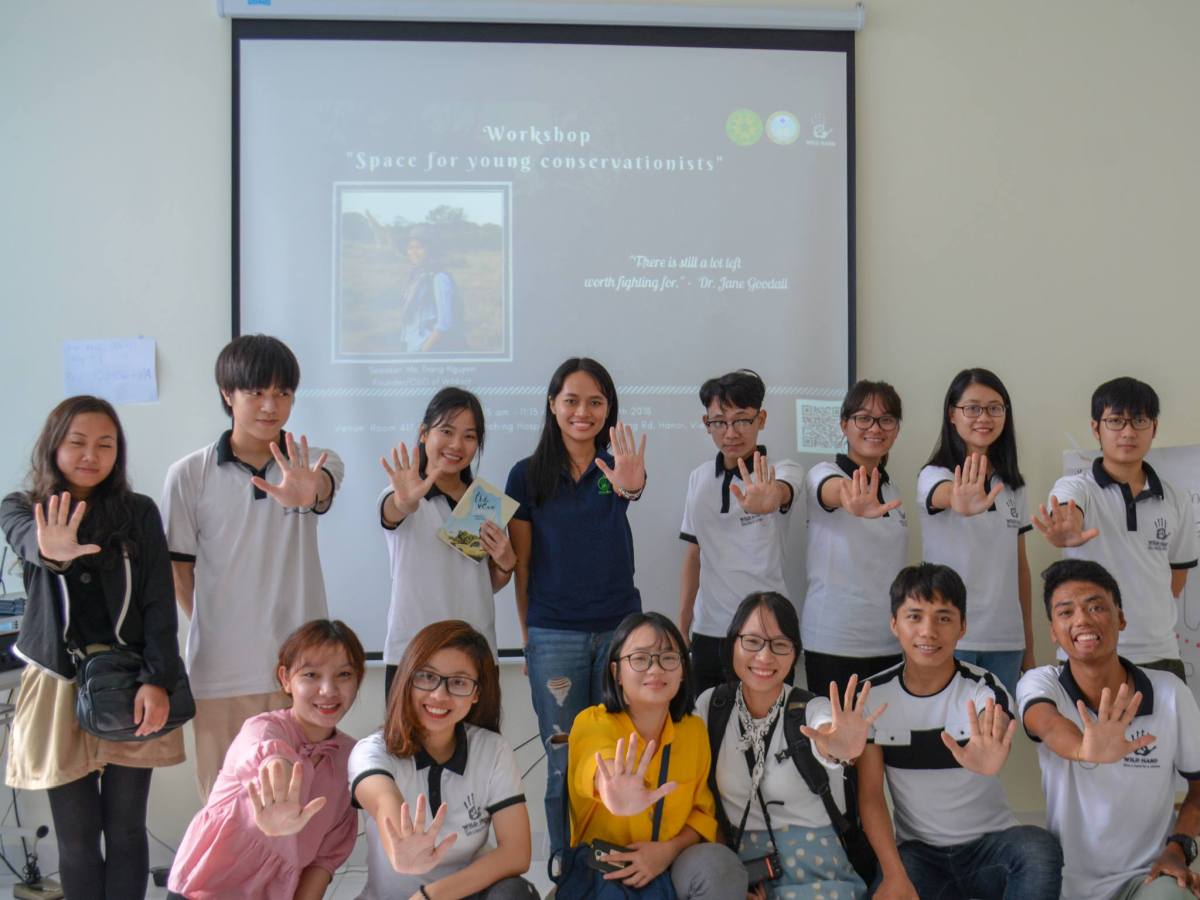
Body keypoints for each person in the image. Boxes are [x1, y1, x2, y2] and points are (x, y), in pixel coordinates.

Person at [0, 395, 185, 900]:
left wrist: (157, 680)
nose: (91, 454)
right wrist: (50, 549)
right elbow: (26, 540)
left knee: (126, 830)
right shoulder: (23, 508)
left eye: (105, 444)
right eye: (78, 442)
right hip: (59, 685)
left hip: (131, 681)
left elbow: (158, 605)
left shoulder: (138, 512)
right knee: (77, 837)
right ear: (53, 445)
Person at [161, 334, 344, 798]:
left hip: (299, 668)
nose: (271, 405)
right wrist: (213, 623)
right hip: (220, 672)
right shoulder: (189, 474)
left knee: (299, 804)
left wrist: (310, 490)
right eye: (257, 392)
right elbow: (178, 569)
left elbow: (321, 485)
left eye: (283, 393)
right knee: (229, 806)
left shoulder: (314, 462)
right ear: (228, 394)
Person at [505, 356, 647, 857]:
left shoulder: (617, 466)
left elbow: (630, 488)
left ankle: (616, 865)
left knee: (620, 759)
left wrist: (631, 482)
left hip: (619, 633)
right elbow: (521, 566)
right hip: (554, 637)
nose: (582, 412)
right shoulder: (525, 476)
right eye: (571, 401)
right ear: (552, 405)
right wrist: (528, 640)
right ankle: (569, 869)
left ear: (608, 409)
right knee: (563, 763)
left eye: (595, 402)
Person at [859, 563, 1063, 900]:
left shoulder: (984, 686)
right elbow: (870, 795)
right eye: (914, 617)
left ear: (962, 627)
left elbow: (994, 729)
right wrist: (895, 874)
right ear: (894, 623)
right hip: (918, 854)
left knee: (1038, 849)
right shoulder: (872, 696)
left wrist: (991, 756)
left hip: (990, 848)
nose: (928, 631)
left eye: (943, 618)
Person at [1019, 559, 1200, 900]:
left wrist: (1179, 848)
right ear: (1053, 631)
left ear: (1121, 618)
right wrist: (1083, 749)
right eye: (1066, 612)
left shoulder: (1170, 693)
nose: (1083, 620)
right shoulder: (1041, 683)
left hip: (1147, 877)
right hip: (1064, 884)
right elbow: (1044, 721)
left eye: (1096, 607)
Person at [695, 592, 876, 899]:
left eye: (780, 645)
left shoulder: (811, 708)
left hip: (818, 870)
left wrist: (837, 747)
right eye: (752, 641)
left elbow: (825, 733)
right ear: (732, 644)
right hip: (744, 871)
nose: (765, 657)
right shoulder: (711, 705)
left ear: (794, 654)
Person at [168, 620, 365, 900]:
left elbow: (324, 860)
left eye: (344, 674)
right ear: (286, 679)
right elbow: (269, 756)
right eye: (311, 675)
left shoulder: (351, 756)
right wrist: (279, 791)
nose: (328, 690)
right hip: (204, 890)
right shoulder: (263, 728)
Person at [349, 620, 538, 900]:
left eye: (459, 682)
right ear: (407, 680)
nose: (439, 694)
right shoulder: (372, 751)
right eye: (426, 677)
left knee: (515, 893)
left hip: (454, 896)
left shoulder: (492, 749)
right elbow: (382, 801)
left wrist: (430, 896)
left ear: (476, 694)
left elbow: (516, 853)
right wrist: (399, 847)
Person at [567, 611, 747, 899]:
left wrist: (666, 851)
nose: (655, 669)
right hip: (607, 871)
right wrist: (612, 788)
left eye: (668, 658)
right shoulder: (592, 723)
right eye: (640, 659)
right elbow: (597, 766)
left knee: (720, 867)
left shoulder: (693, 730)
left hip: (669, 863)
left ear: (682, 671)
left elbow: (701, 815)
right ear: (617, 673)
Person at [1034, 376, 1197, 679]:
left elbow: (1176, 577)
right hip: (1087, 651)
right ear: (1096, 428)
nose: (1128, 432)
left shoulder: (1176, 499)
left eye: (1139, 420)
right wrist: (1069, 528)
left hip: (1159, 654)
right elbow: (1071, 509)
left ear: (1154, 428)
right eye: (1116, 421)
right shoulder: (1076, 486)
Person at [378, 386, 516, 704]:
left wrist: (506, 564)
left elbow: (485, 582)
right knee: (409, 752)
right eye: (446, 431)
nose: (456, 445)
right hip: (413, 652)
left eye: (469, 436)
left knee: (477, 750)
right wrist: (404, 500)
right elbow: (394, 512)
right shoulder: (400, 495)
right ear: (424, 434)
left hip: (474, 653)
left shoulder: (483, 502)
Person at [679, 370, 804, 694]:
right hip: (709, 630)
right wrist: (682, 627)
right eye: (719, 422)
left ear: (760, 419)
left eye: (742, 420)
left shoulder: (783, 469)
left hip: (768, 629)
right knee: (709, 733)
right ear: (707, 423)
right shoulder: (699, 478)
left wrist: (770, 497)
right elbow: (694, 554)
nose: (730, 432)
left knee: (769, 734)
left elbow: (781, 491)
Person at [918, 368, 1033, 694]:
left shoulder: (1013, 485)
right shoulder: (934, 474)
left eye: (995, 408)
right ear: (952, 415)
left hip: (1007, 642)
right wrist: (959, 498)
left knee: (997, 740)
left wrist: (1029, 645)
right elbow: (942, 494)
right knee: (948, 738)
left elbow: (1020, 568)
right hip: (949, 639)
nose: (984, 417)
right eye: (972, 408)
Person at [801, 379, 906, 696]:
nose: (875, 427)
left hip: (888, 642)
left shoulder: (891, 489)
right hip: (834, 641)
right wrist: (850, 499)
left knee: (879, 743)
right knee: (835, 742)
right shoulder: (823, 472)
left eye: (886, 419)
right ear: (844, 424)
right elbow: (832, 491)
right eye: (863, 418)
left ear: (896, 429)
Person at [401, 227, 460, 353]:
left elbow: (444, 322)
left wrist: (425, 350)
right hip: (410, 346)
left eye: (419, 247)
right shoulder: (416, 276)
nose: (413, 251)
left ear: (430, 250)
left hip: (427, 348)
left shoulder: (439, 277)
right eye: (410, 247)